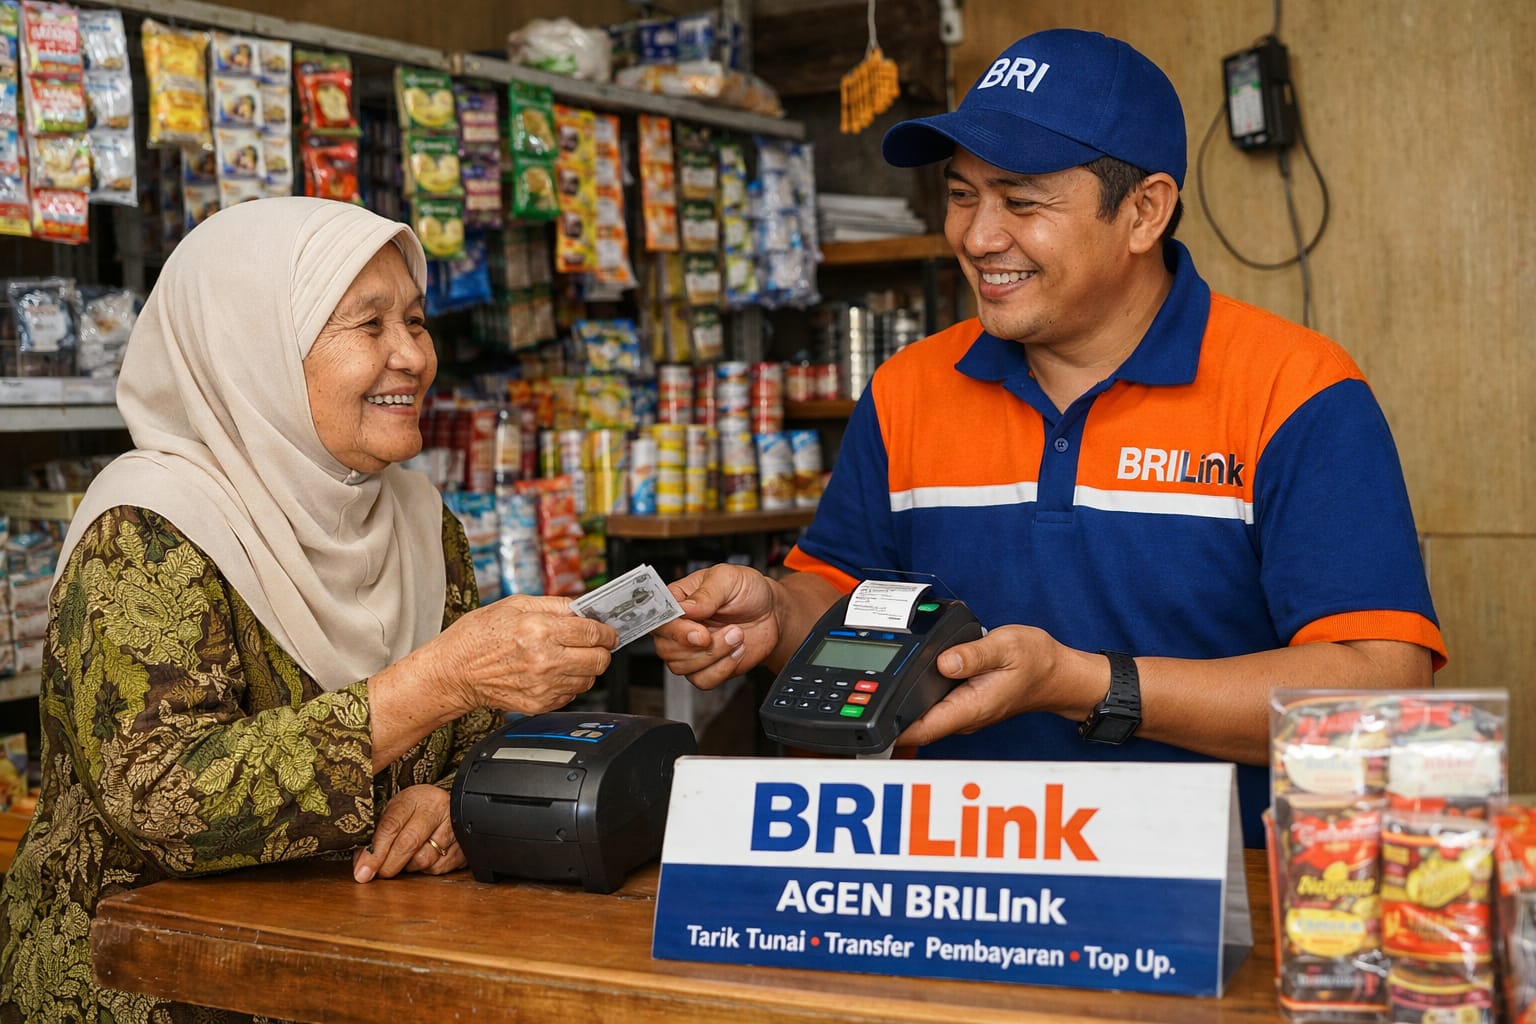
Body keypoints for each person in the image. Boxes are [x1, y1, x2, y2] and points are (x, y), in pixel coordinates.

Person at [653, 28, 1445, 849]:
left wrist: (1082, 684)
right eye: (962, 195)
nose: (979, 237)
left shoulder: (1296, 389)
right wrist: (776, 615)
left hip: (1210, 901)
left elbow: (1380, 697)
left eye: (1021, 202)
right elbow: (845, 600)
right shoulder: (909, 389)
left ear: (1144, 211)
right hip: (948, 886)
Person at [0, 197, 618, 1023]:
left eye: (416, 320)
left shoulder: (420, 519)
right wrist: (437, 681)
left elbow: (476, 746)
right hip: (154, 983)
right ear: (254, 351)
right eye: (368, 326)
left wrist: (453, 805)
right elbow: (163, 800)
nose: (411, 357)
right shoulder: (147, 528)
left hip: (368, 964)